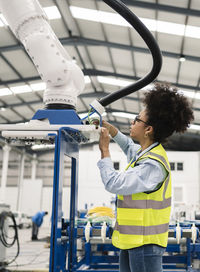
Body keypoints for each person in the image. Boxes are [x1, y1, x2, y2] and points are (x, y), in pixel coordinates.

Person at [97, 83, 194, 272]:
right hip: (133, 241)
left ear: (148, 129)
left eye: (136, 120)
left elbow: (113, 183)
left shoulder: (152, 164)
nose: (132, 123)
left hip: (144, 244)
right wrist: (111, 129)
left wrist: (105, 150)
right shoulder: (146, 153)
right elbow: (128, 146)